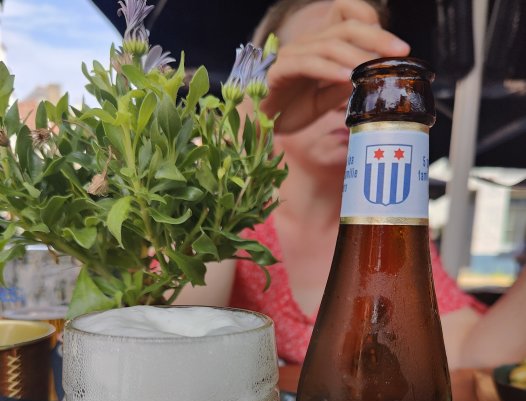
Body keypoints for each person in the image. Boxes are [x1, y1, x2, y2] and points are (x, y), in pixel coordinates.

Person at [177, 0, 526, 369]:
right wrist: (243, 127)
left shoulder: (388, 219)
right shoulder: (231, 206)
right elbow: (178, 337)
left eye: (363, 76)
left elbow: (466, 353)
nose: (345, 95)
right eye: (319, 65)